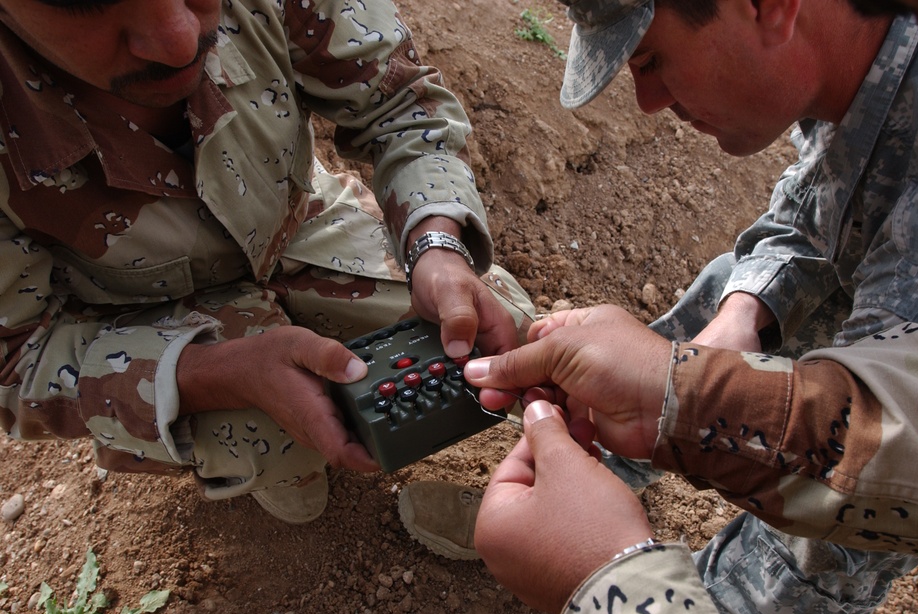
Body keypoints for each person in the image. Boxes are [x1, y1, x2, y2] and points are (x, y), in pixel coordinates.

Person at [463, 0, 918, 614]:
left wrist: (614, 592)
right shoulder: (862, 58)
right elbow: (819, 210)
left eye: (653, 60)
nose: (649, 100)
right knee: (730, 289)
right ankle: (572, 484)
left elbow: (888, 463)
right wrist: (730, 333)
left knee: (824, 552)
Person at [0, 0, 533, 527]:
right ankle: (288, 471)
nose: (181, 40)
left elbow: (399, 100)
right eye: (82, 5)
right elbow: (16, 363)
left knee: (506, 326)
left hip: (295, 224)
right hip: (147, 315)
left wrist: (434, 246)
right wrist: (213, 375)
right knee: (271, 439)